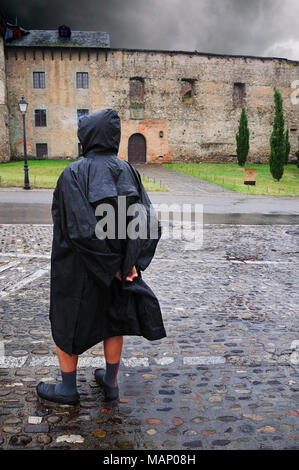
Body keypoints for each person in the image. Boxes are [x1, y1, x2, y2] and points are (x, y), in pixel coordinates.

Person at [36, 108, 166, 405]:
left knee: (68, 319)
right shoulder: (129, 171)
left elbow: (81, 230)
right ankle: (110, 383)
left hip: (79, 268)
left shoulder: (73, 173)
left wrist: (114, 267)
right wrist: (129, 264)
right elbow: (147, 222)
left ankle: (68, 388)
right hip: (120, 266)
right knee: (114, 319)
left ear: (86, 137)